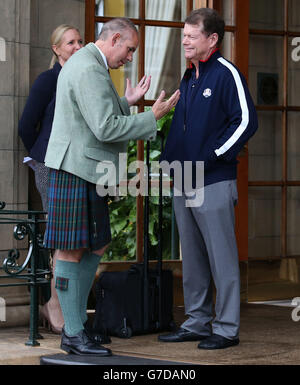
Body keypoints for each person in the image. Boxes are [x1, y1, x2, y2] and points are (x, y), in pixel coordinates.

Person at [43, 17, 180, 356]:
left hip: (83, 168)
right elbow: (104, 128)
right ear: (115, 38)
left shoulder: (89, 63)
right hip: (77, 168)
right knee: (72, 250)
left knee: (97, 245)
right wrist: (154, 116)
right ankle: (73, 331)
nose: (130, 57)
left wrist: (126, 101)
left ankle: (75, 329)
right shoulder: (89, 68)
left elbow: (93, 113)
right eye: (129, 49)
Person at [158, 8, 258, 350]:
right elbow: (184, 130)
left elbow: (246, 122)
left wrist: (213, 156)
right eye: (183, 35)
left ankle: (227, 328)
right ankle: (197, 322)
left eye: (191, 36)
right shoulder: (190, 77)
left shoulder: (226, 73)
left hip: (213, 180)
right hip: (184, 179)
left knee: (222, 257)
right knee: (195, 257)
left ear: (212, 39)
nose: (184, 41)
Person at [18, 24, 83, 334]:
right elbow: (26, 125)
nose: (77, 46)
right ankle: (54, 305)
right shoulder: (49, 80)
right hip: (50, 166)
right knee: (60, 237)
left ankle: (67, 305)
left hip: (76, 167)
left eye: (80, 41)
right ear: (57, 49)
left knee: (72, 238)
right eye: (70, 42)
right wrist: (41, 158)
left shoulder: (83, 78)